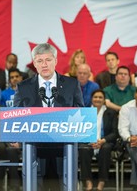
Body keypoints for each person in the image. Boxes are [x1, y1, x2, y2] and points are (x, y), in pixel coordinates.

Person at [13, 43, 84, 190]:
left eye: (48, 60)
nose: (44, 65)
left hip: (64, 148)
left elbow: (80, 112)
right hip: (34, 149)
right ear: (34, 63)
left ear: (56, 61)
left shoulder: (72, 84)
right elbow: (16, 115)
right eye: (39, 61)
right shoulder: (23, 87)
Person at [79, 89, 118, 191]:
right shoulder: (84, 112)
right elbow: (79, 131)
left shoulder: (111, 113)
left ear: (104, 100)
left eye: (100, 97)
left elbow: (114, 132)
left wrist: (102, 141)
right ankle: (88, 181)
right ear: (91, 99)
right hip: (88, 141)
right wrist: (89, 140)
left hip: (104, 142)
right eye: (95, 97)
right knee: (83, 149)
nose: (98, 99)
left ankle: (101, 181)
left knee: (105, 149)